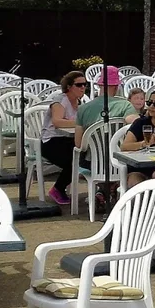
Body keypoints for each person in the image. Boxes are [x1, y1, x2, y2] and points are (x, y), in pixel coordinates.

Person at [41, 70, 87, 206]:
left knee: (84, 153)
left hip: (67, 139)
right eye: (79, 85)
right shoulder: (60, 100)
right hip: (51, 141)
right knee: (75, 159)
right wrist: (81, 123)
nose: (83, 88)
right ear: (69, 86)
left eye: (85, 85)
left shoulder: (79, 103)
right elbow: (57, 121)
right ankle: (58, 189)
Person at [75, 66, 135, 137]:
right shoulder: (126, 105)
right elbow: (136, 124)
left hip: (91, 148)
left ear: (99, 85)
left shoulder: (82, 108)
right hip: (116, 147)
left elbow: (78, 143)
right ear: (116, 87)